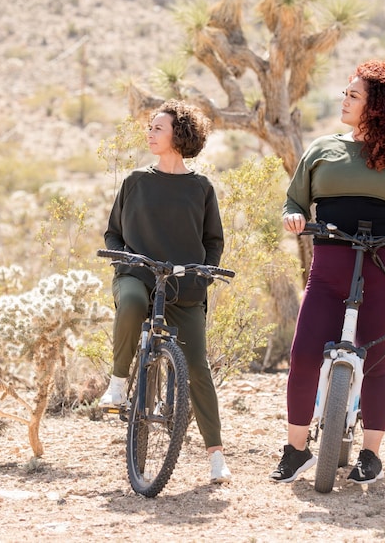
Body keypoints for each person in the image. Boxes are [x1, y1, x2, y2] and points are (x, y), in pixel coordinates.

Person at [269, 59, 385, 485]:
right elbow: (295, 201)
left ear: (378, 106)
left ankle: (370, 455)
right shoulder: (322, 149)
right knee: (304, 355)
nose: (343, 101)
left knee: (379, 362)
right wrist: (293, 217)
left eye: (353, 95)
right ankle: (295, 451)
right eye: (344, 93)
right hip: (330, 264)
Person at [99, 99, 231, 484]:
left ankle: (216, 456)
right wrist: (125, 261)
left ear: (179, 135)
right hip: (136, 275)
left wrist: (201, 276)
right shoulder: (135, 182)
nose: (150, 133)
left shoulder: (201, 188)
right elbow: (113, 232)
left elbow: (213, 241)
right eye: (151, 127)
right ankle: (118, 384)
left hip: (184, 285)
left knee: (198, 368)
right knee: (133, 303)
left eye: (158, 128)